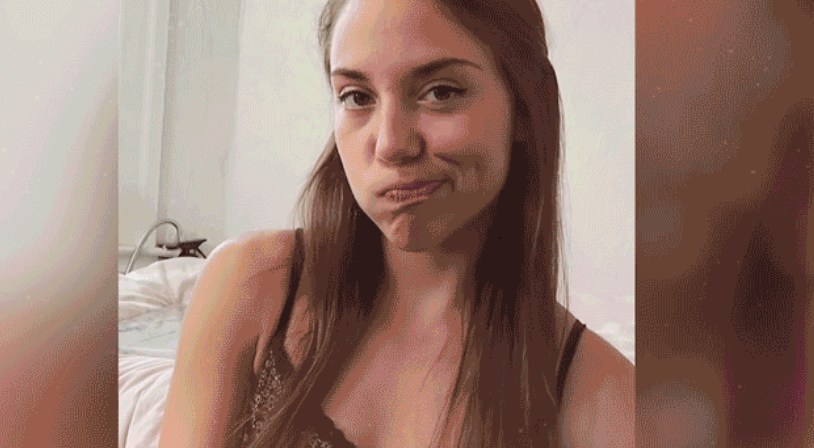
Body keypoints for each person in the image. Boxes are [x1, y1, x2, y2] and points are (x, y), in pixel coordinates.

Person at [159, 0, 634, 446]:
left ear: (525, 109)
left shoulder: (605, 397)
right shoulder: (251, 285)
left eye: (440, 92)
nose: (390, 145)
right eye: (356, 96)